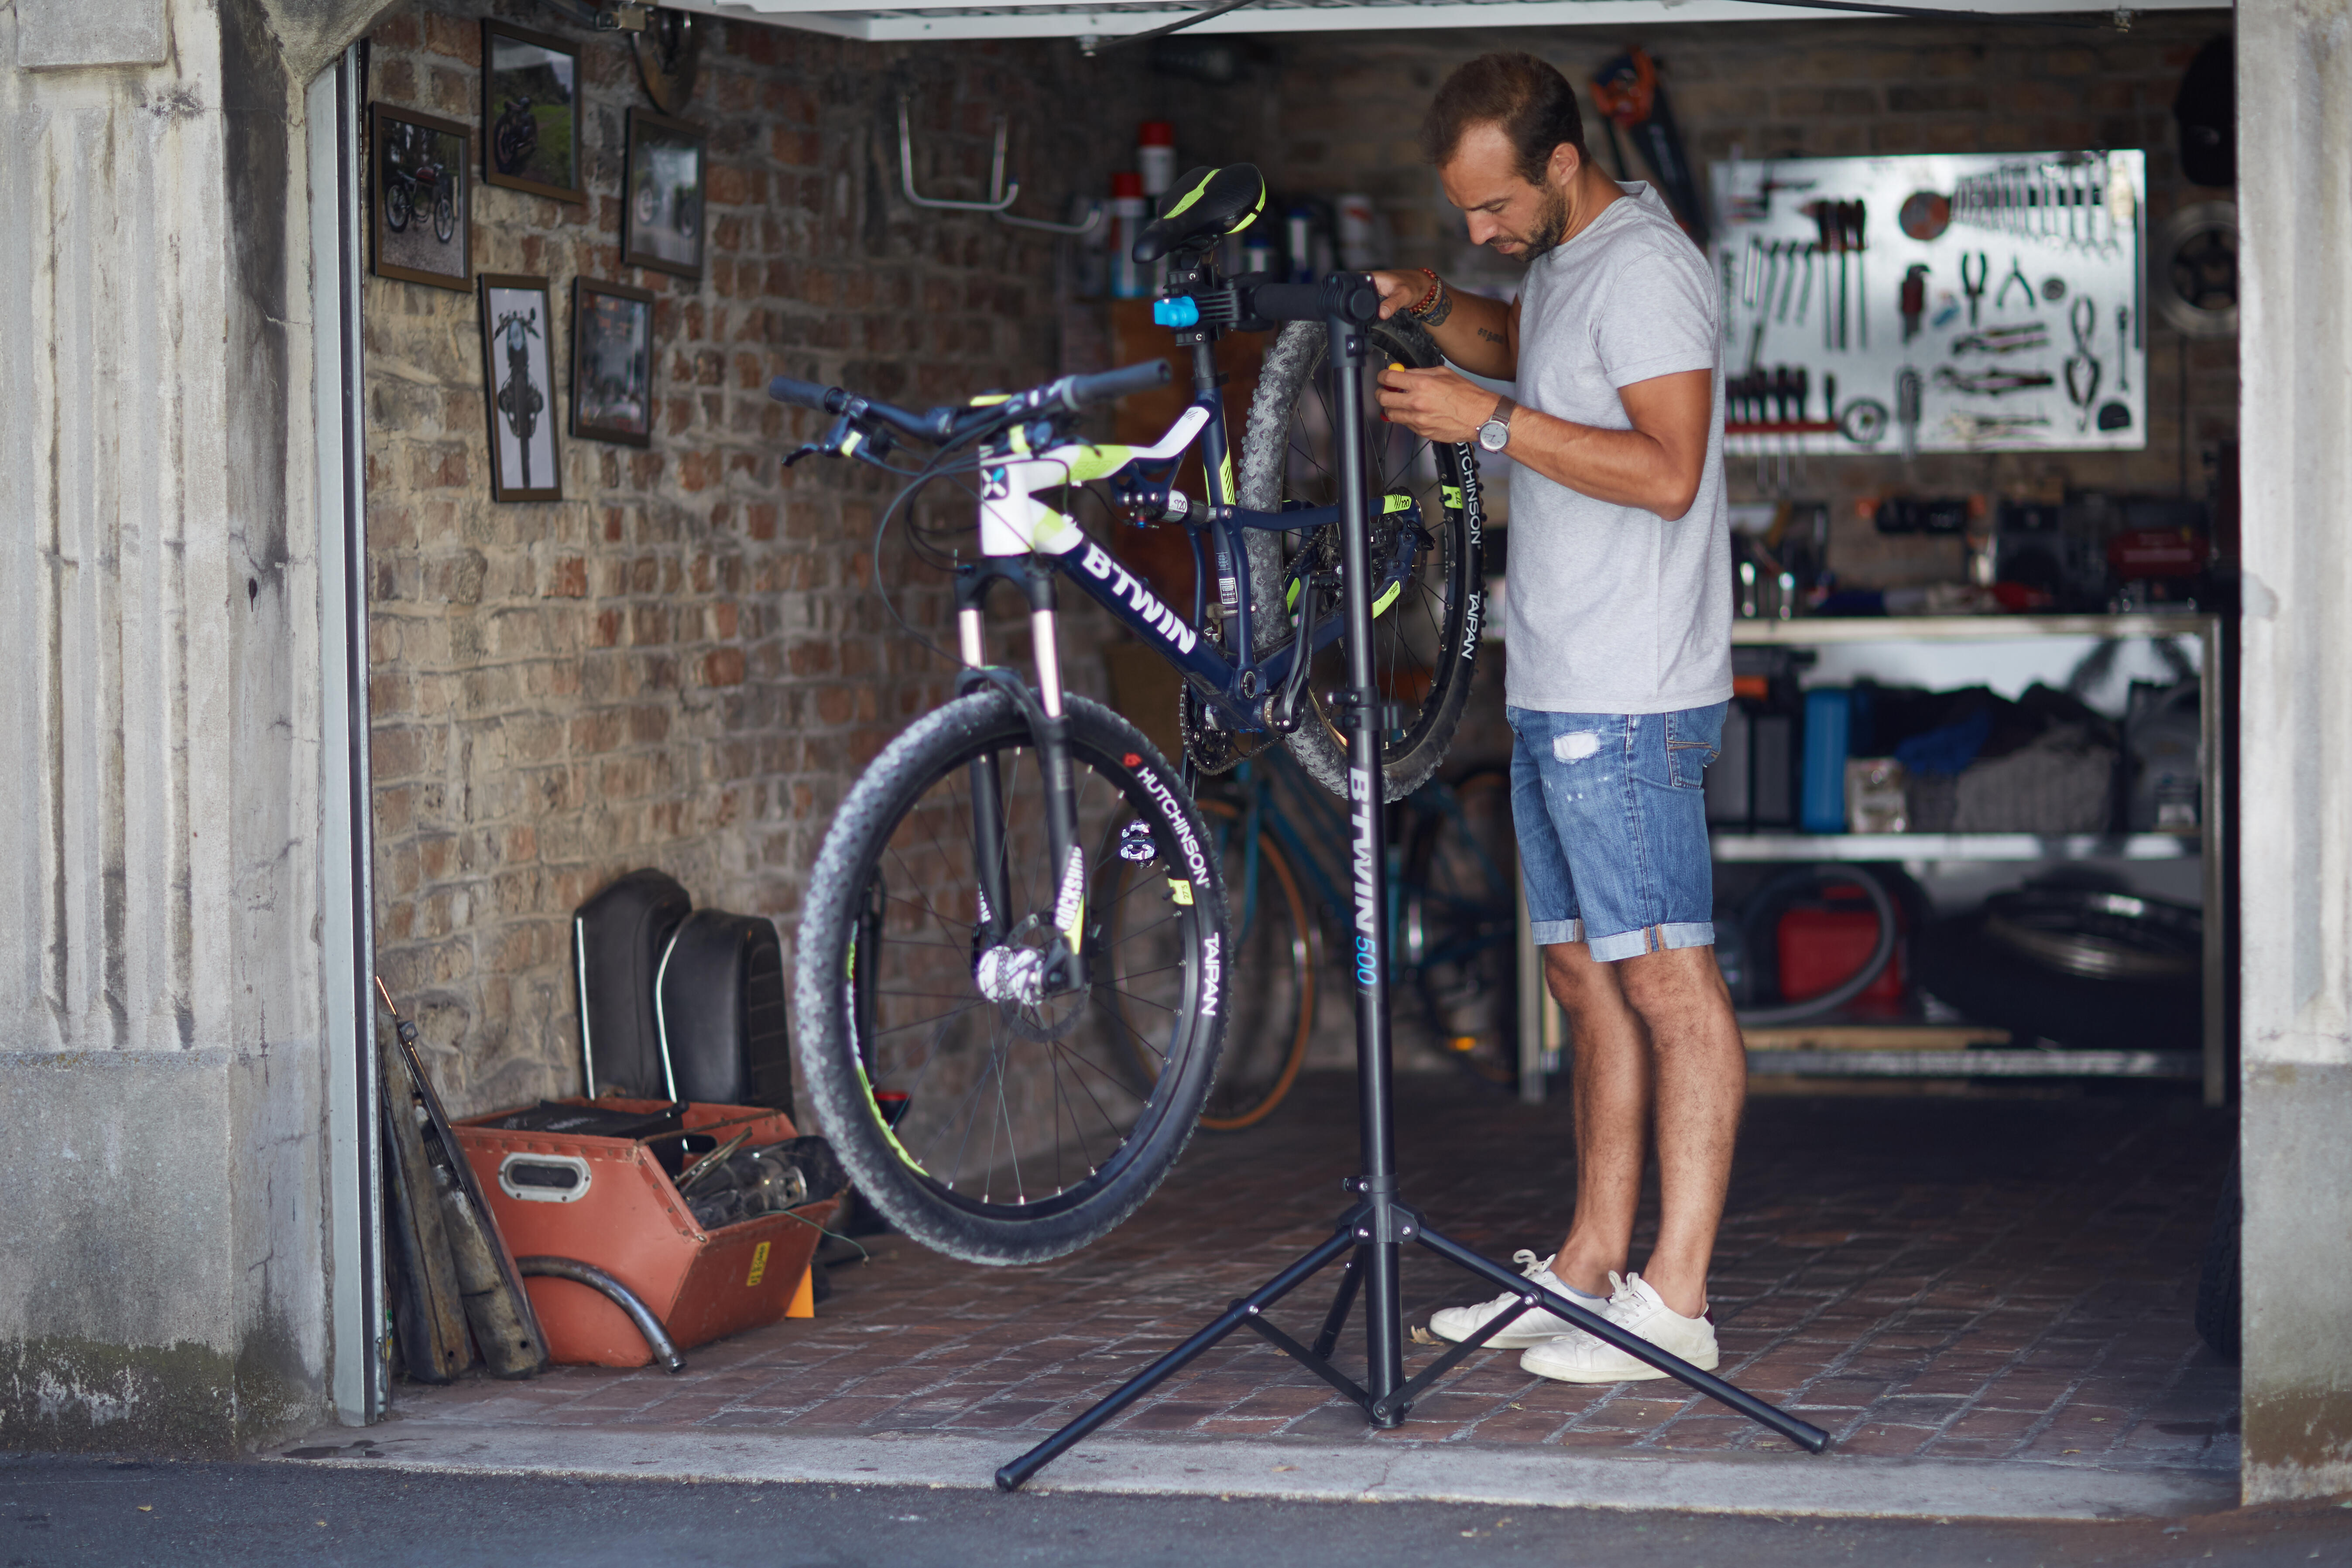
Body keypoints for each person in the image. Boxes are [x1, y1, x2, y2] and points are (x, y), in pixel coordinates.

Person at [1369, 52, 1737, 1384]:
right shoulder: (1564, 261)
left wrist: (1493, 425)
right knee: (1584, 978)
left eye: (1491, 209)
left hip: (1631, 698)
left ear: (1563, 166)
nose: (1480, 230)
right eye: (1463, 215)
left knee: (1668, 979)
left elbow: (1668, 467)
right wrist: (1441, 305)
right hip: (1559, 686)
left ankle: (1675, 1303)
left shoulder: (1645, 267)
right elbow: (1533, 350)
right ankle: (1587, 1270)